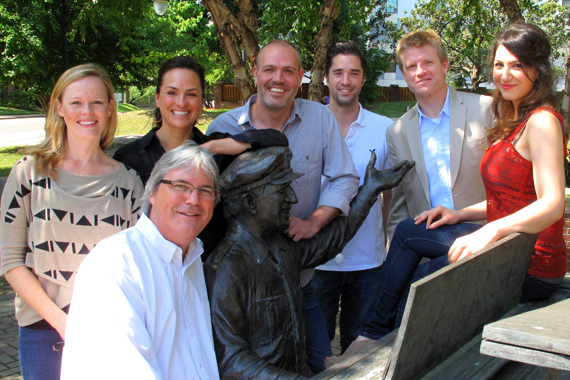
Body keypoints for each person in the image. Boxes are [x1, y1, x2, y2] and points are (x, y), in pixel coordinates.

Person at [332, 22, 567, 365]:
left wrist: (489, 229)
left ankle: (385, 355)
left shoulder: (540, 120)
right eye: (499, 65)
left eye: (517, 65)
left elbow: (552, 203)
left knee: (421, 285)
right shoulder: (514, 118)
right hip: (505, 244)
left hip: (529, 258)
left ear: (538, 69)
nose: (505, 74)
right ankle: (375, 340)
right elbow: (510, 197)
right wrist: (461, 214)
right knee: (408, 232)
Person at [206, 40, 360, 373]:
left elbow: (345, 178)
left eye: (288, 71)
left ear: (301, 76)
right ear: (255, 72)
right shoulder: (223, 128)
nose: (279, 79)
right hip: (247, 288)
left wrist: (315, 222)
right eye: (270, 70)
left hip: (297, 276)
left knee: (321, 363)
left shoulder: (320, 118)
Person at [204, 146, 413, 379]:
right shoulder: (226, 269)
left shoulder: (281, 246)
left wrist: (370, 189)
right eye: (282, 190)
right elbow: (232, 360)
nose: (292, 198)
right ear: (250, 202)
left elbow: (331, 240)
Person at [0, 63, 144, 379]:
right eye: (76, 102)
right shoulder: (28, 174)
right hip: (43, 334)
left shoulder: (130, 185)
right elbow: (9, 261)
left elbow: (135, 266)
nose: (86, 111)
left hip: (108, 331)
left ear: (109, 109)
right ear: (59, 108)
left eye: (96, 102)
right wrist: (63, 323)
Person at [61, 142, 220, 380]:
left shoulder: (192, 260)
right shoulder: (117, 263)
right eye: (181, 185)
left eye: (206, 190)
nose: (194, 199)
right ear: (152, 192)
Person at [113, 55, 287, 255]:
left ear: (202, 101)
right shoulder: (128, 157)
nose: (181, 102)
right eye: (172, 92)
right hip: (148, 272)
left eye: (191, 94)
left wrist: (211, 147)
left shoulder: (218, 153)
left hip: (204, 275)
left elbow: (276, 140)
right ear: (157, 98)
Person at [311, 41, 393, 353]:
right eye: (339, 72)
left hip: (368, 263)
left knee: (360, 354)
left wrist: (383, 243)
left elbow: (390, 195)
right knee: (315, 353)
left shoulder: (384, 129)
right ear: (327, 78)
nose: (346, 80)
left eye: (354, 73)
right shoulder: (307, 124)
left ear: (363, 79)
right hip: (316, 262)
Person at [385, 29, 492, 244]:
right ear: (404, 75)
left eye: (428, 63)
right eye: (411, 67)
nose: (420, 71)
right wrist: (393, 251)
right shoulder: (397, 132)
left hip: (484, 243)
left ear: (444, 65)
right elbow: (399, 204)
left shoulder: (486, 110)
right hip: (428, 251)